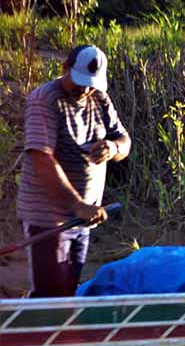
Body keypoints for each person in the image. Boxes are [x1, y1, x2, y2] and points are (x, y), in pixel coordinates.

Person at [15, 45, 131, 297]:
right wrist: (77, 204)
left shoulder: (99, 98)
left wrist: (112, 148)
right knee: (50, 296)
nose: (85, 89)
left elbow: (125, 141)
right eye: (80, 82)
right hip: (49, 219)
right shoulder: (44, 99)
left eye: (91, 84)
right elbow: (42, 159)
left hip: (83, 219)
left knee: (67, 291)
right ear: (65, 69)